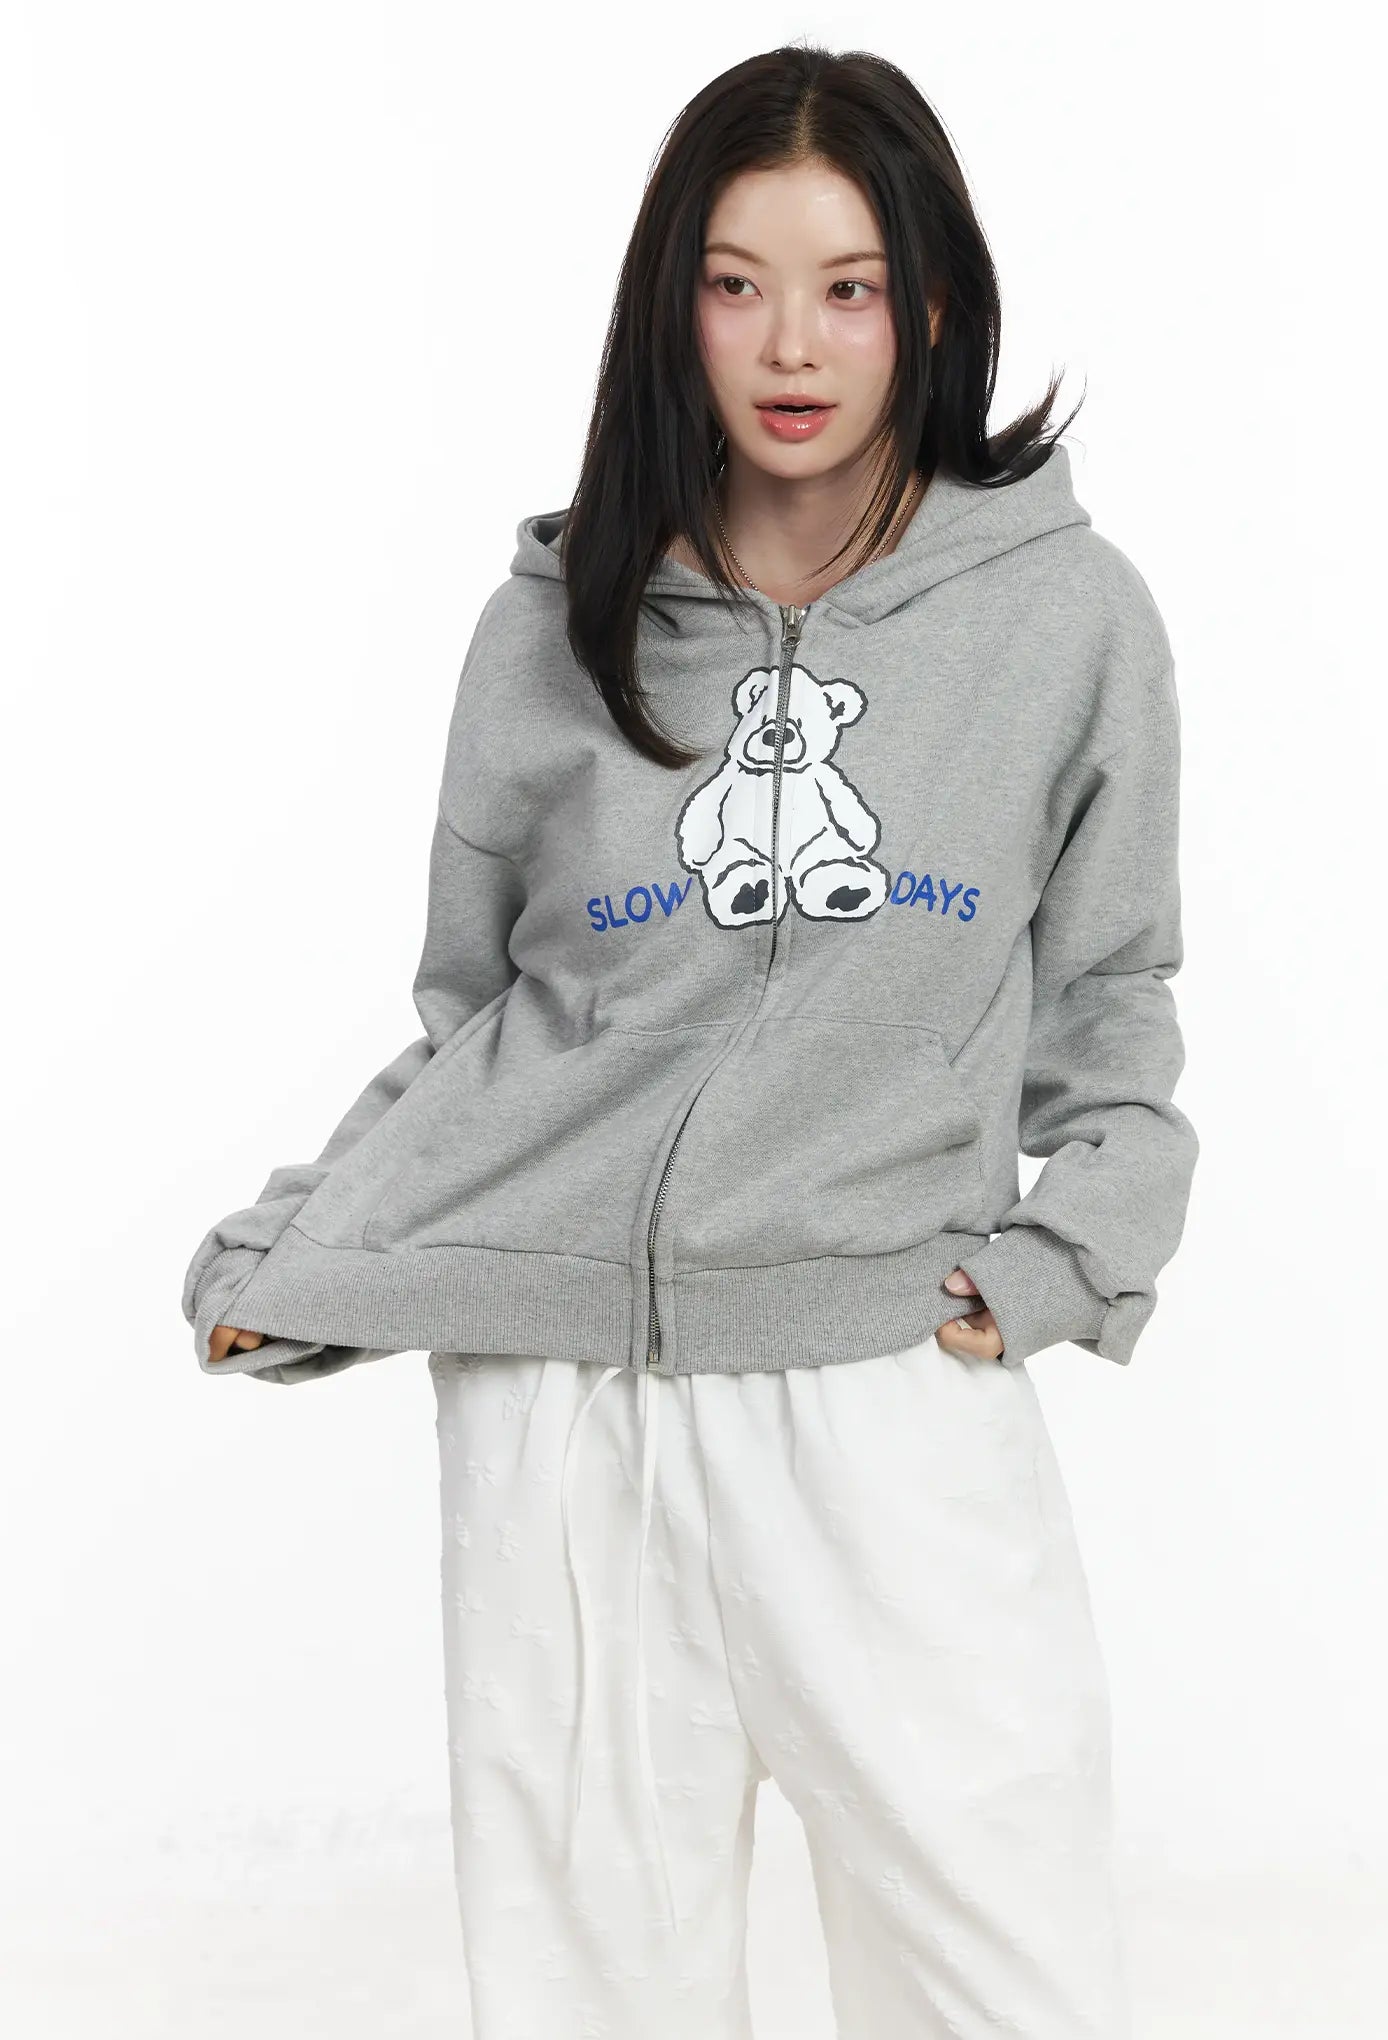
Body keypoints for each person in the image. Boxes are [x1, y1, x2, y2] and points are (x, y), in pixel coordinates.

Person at [181, 43, 1197, 2040]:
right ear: (677, 302)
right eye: (737, 284)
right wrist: (318, 1243)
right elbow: (487, 1024)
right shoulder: (554, 621)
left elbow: (1112, 1007)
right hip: (560, 1409)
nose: (790, 344)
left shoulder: (1067, 618)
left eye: (847, 287)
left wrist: (1064, 1261)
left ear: (932, 305)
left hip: (880, 1372)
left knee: (1006, 1976)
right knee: (594, 1992)